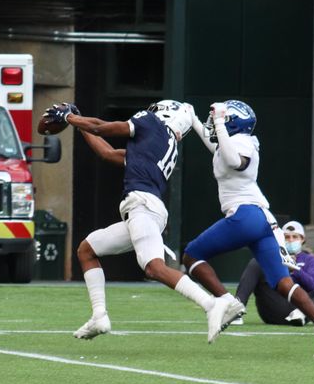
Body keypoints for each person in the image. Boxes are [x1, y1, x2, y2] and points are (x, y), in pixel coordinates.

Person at [47, 100, 243, 342]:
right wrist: (79, 124)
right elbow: (108, 153)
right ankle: (99, 315)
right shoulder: (164, 143)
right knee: (87, 250)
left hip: (142, 206)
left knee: (154, 267)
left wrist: (70, 118)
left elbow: (101, 127)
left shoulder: (151, 123)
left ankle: (211, 303)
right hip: (145, 210)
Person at [181, 100, 314, 357]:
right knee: (282, 282)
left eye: (221, 120)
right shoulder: (231, 141)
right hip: (260, 220)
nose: (215, 124)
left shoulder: (243, 142)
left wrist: (220, 123)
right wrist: (194, 121)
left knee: (191, 255)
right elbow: (217, 146)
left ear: (233, 122)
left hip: (246, 216)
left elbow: (235, 161)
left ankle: (228, 302)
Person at [234, 220, 314, 326]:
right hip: (275, 305)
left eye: (295, 237)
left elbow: (312, 286)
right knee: (257, 262)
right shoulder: (273, 257)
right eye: (287, 237)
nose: (291, 240)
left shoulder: (310, 259)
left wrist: (295, 269)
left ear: (302, 239)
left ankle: (303, 314)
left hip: (300, 307)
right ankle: (236, 310)